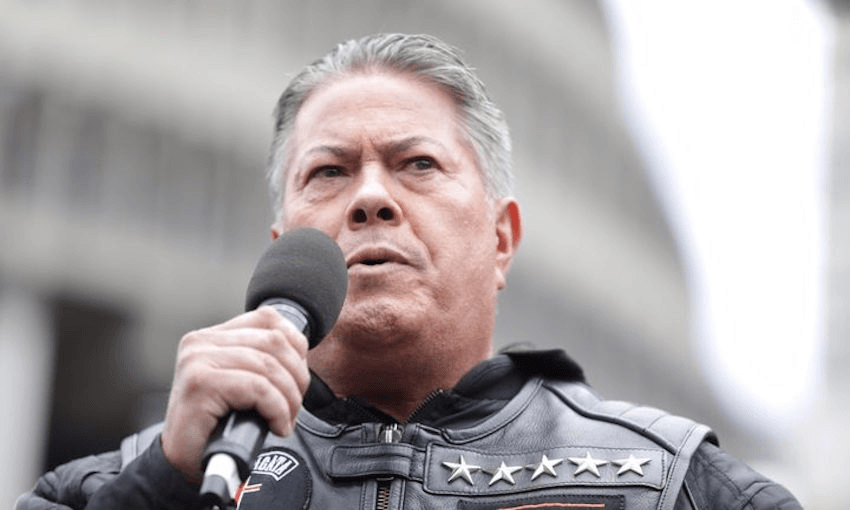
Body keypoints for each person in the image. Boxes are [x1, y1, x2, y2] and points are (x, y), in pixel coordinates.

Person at [18, 33, 802, 510]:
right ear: (282, 240)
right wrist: (164, 485)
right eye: (327, 173)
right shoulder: (120, 485)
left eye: (416, 164)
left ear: (501, 239)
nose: (368, 199)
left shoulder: (667, 484)